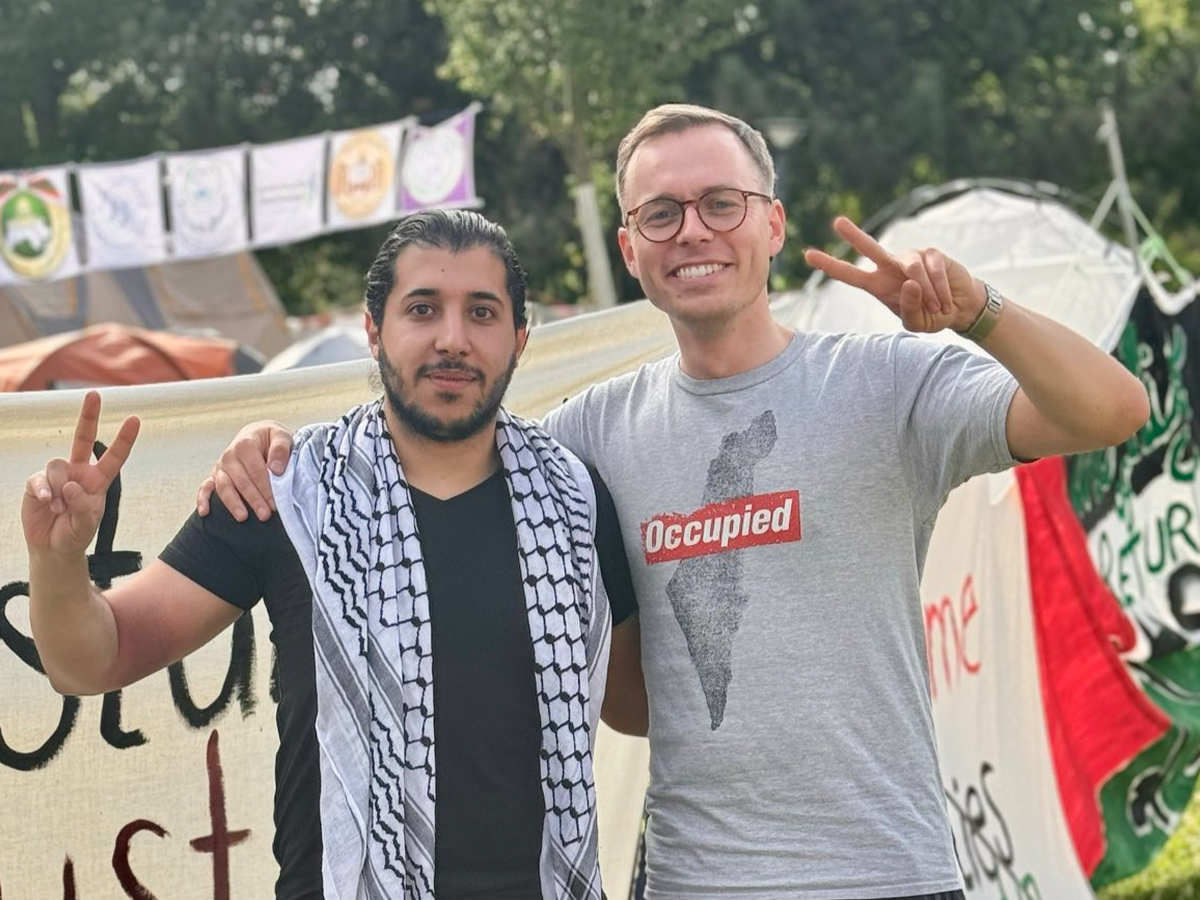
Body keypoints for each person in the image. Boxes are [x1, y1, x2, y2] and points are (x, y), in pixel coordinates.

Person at [203, 106, 1150, 900]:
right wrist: (279, 453)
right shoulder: (588, 437)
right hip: (690, 879)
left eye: (721, 203)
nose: (693, 231)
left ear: (772, 224)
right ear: (630, 248)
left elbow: (1112, 410)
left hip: (887, 871)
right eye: (661, 214)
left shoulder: (888, 384)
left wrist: (980, 312)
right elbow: (436, 454)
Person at [21, 210, 642, 900]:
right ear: (373, 330)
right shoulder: (285, 493)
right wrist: (58, 560)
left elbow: (637, 706)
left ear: (520, 338)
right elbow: (91, 660)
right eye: (423, 309)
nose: (452, 338)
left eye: (482, 312)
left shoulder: (575, 504)